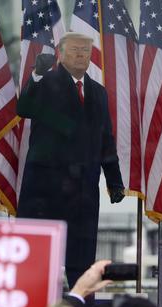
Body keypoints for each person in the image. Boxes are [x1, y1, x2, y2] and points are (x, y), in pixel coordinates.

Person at [16, 32, 125, 287]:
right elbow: (24, 109)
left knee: (82, 262)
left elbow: (105, 139)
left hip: (83, 191)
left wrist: (114, 180)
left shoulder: (98, 92)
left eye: (85, 51)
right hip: (45, 191)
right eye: (75, 50)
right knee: (39, 260)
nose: (80, 55)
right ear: (61, 54)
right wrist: (36, 75)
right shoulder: (46, 82)